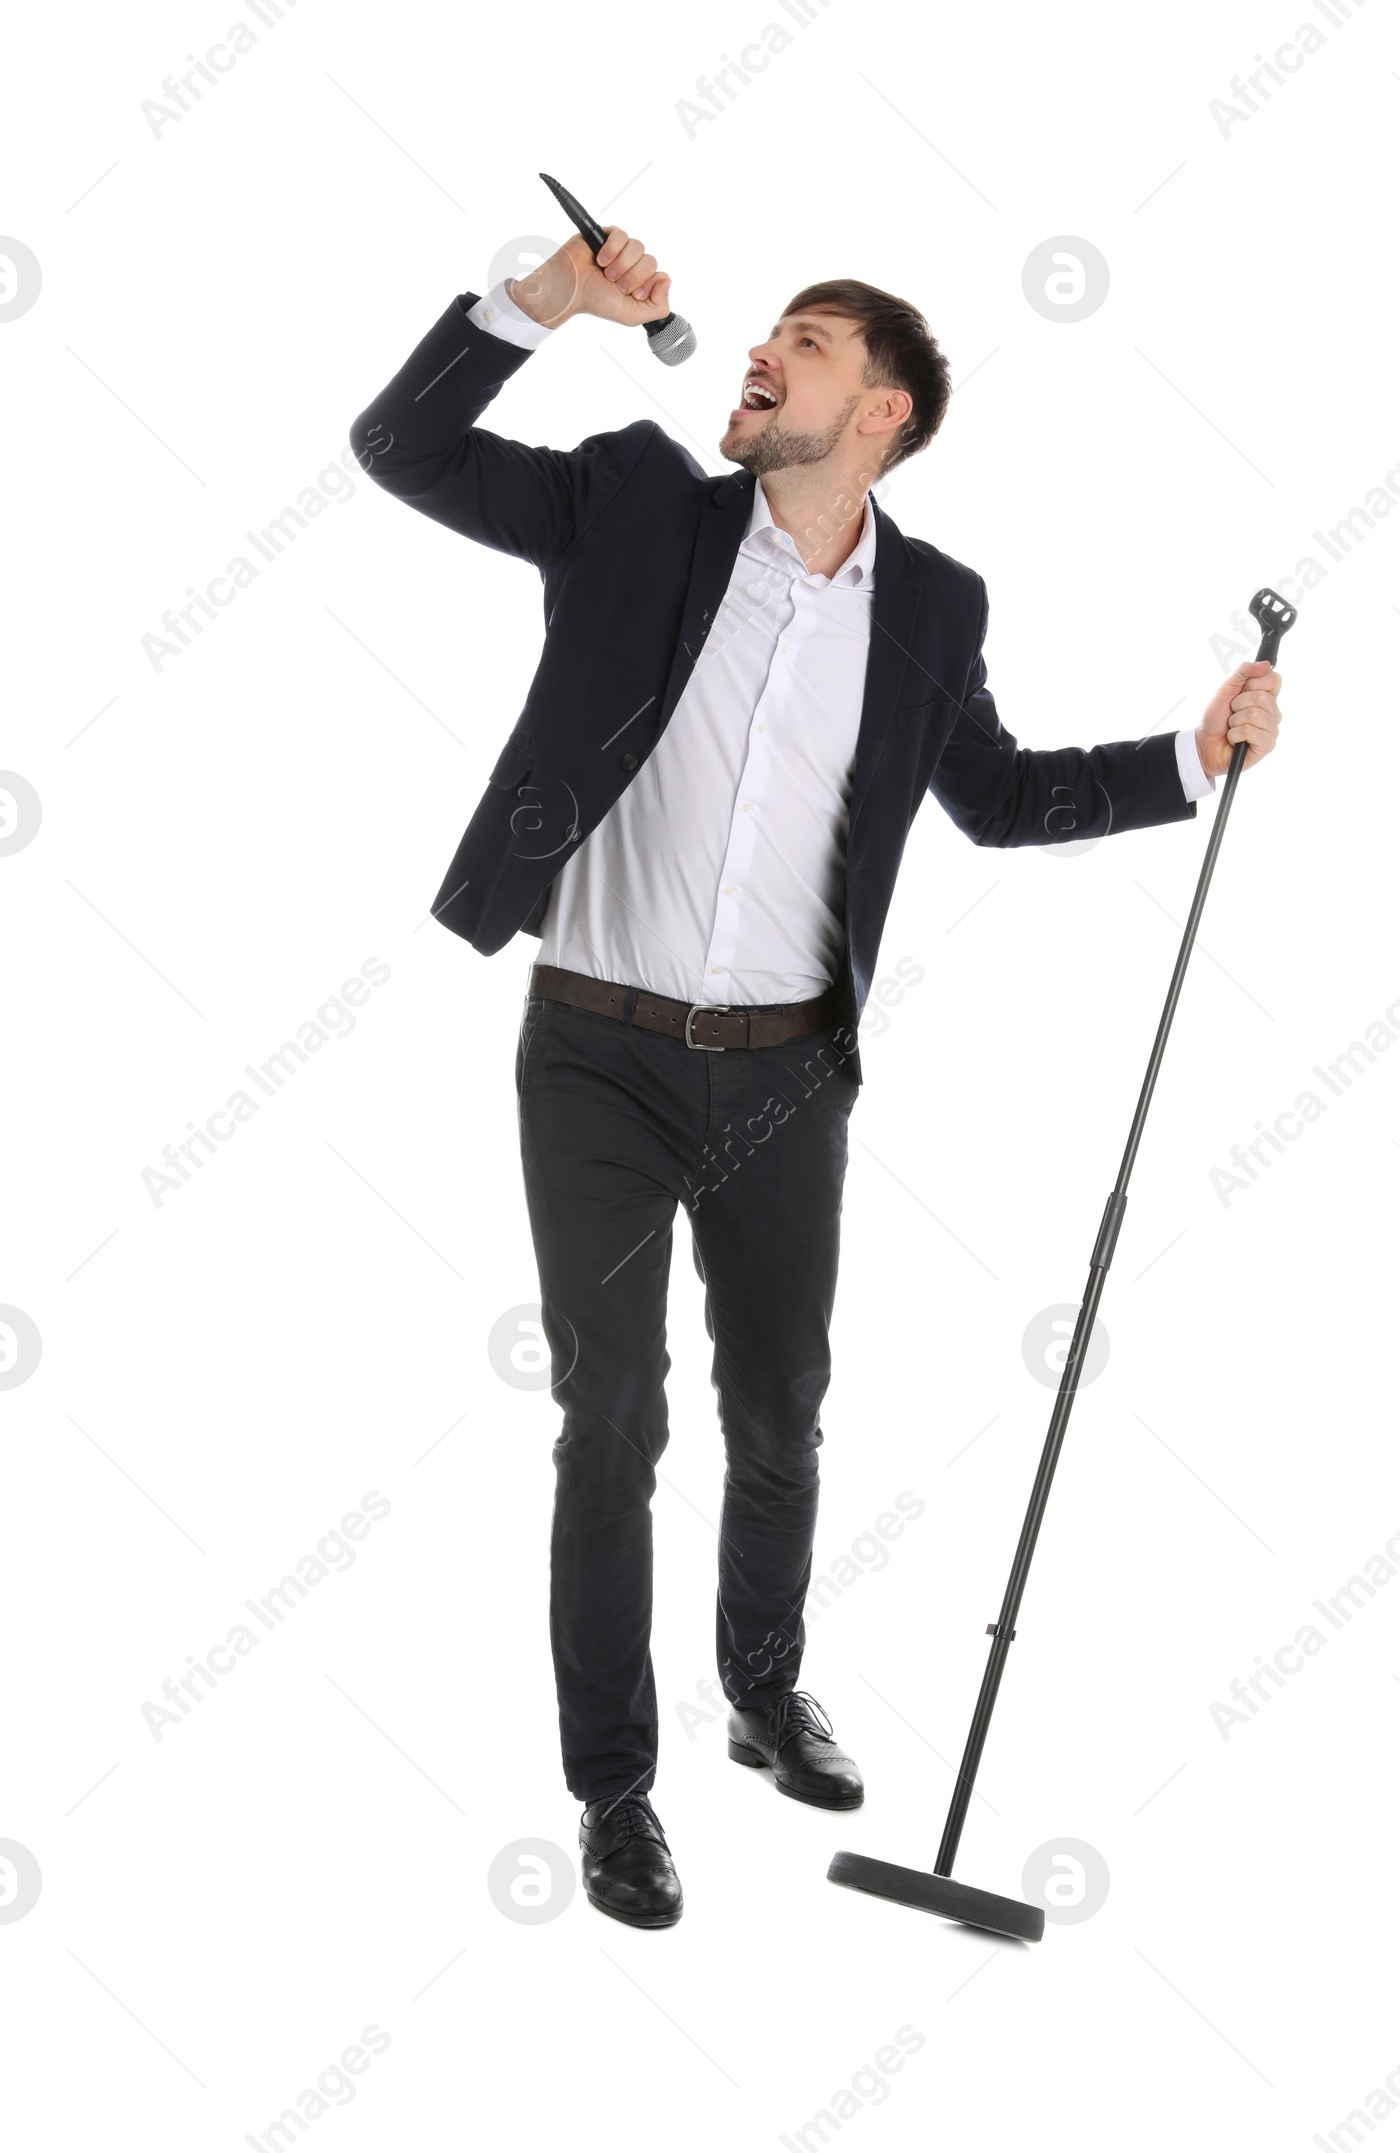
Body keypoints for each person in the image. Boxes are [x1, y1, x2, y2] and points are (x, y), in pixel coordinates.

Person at [348, 221, 1284, 1930]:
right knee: (612, 1418)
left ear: (886, 413)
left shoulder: (933, 603)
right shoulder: (632, 503)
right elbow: (400, 449)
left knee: (781, 1413)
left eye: (809, 341)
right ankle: (616, 1788)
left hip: (789, 1074)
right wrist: (536, 303)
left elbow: (996, 798)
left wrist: (1184, 752)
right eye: (762, 332)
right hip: (599, 1058)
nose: (759, 351)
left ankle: (765, 1691)